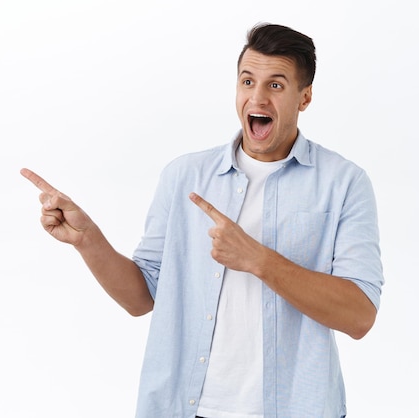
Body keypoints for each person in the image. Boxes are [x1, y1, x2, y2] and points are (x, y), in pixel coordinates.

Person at [21, 22, 383, 418]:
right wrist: (88, 239)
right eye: (247, 81)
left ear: (305, 97)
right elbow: (141, 299)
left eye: (276, 85)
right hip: (187, 408)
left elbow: (360, 316)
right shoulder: (185, 177)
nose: (257, 97)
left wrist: (258, 260)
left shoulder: (344, 183)